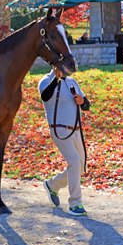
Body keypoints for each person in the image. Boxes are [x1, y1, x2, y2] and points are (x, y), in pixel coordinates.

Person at [39, 67, 91, 216]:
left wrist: (82, 102)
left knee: (80, 167)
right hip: (59, 130)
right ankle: (75, 203)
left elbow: (86, 106)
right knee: (74, 162)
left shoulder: (71, 82)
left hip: (76, 130)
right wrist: (56, 79)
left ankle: (52, 185)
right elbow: (45, 96)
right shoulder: (46, 81)